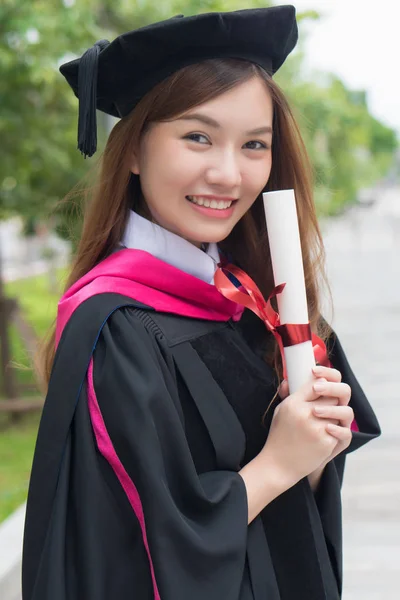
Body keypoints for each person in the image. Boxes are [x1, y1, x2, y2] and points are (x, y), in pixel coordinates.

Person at [22, 6, 380, 600]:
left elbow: (300, 521)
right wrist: (276, 465)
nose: (229, 174)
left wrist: (318, 444)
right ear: (134, 151)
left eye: (255, 145)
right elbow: (119, 555)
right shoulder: (113, 326)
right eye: (197, 137)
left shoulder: (254, 302)